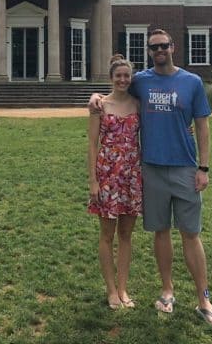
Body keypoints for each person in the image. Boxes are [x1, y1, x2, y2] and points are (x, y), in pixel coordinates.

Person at [89, 29, 212, 327]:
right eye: (154, 47)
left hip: (185, 169)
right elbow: (118, 88)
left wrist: (204, 168)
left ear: (173, 47)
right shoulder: (142, 81)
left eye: (164, 45)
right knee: (160, 232)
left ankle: (204, 299)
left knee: (191, 233)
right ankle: (167, 291)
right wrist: (96, 96)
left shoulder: (192, 82)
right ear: (149, 51)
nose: (160, 50)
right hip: (149, 169)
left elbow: (202, 127)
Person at [87, 54, 142, 309]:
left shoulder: (138, 104)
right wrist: (93, 182)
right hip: (107, 174)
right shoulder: (100, 105)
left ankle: (123, 289)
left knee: (126, 235)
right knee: (107, 235)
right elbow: (92, 144)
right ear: (111, 78)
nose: (122, 79)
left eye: (126, 76)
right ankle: (110, 290)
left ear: (131, 79)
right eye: (118, 75)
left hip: (131, 175)